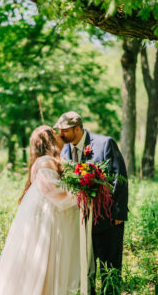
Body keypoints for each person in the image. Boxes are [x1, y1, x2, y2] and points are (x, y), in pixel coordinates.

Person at [0, 125, 80, 295]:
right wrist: (78, 195)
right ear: (49, 139)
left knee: (35, 258)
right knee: (42, 259)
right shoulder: (46, 161)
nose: (58, 136)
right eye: (54, 134)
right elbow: (51, 188)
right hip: (45, 216)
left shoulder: (40, 161)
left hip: (38, 214)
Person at [54, 111, 128, 295]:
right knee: (85, 269)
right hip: (80, 222)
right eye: (59, 130)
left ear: (77, 129)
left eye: (64, 130)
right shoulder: (65, 150)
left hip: (108, 220)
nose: (60, 134)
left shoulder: (104, 144)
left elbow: (119, 179)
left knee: (109, 268)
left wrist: (118, 215)